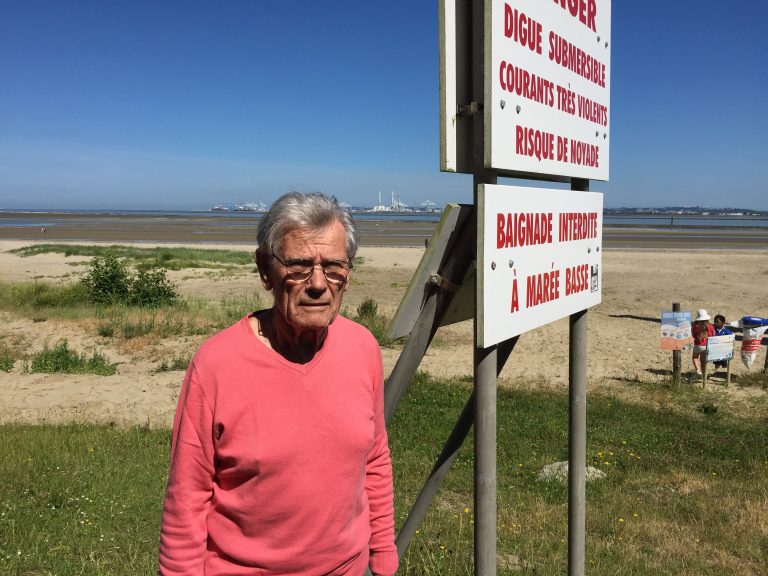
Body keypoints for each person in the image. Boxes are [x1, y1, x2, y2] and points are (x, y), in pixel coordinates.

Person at [159, 192, 399, 576]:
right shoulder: (216, 365)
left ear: (348, 273)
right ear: (265, 269)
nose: (319, 283)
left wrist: (383, 552)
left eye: (334, 266)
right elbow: (186, 497)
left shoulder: (363, 348)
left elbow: (375, 459)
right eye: (300, 265)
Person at [691, 308, 715, 375]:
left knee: (695, 357)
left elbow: (693, 335)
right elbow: (713, 336)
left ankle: (698, 370)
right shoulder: (711, 326)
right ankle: (704, 374)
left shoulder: (695, 326)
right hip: (706, 346)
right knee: (703, 361)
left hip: (698, 345)